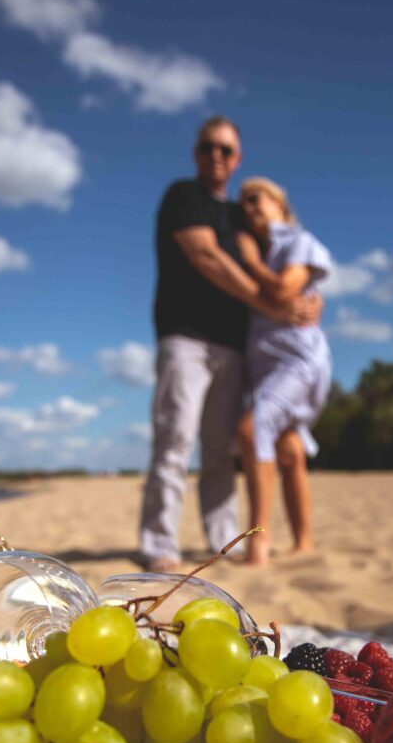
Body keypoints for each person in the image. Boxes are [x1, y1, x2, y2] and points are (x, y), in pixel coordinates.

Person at [139, 118, 319, 572]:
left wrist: (310, 298)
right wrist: (274, 306)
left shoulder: (241, 217)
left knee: (220, 449)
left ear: (237, 159)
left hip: (235, 346)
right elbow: (207, 257)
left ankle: (223, 539)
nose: (216, 156)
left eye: (226, 150)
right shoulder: (183, 196)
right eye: (208, 147)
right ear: (196, 152)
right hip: (186, 337)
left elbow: (285, 259)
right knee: (175, 439)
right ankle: (159, 543)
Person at [235, 177, 333, 566]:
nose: (248, 207)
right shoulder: (263, 250)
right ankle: (304, 543)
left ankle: (258, 540)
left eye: (255, 198)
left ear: (280, 204)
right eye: (243, 203)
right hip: (268, 367)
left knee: (252, 427)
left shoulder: (297, 242)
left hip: (298, 361)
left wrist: (250, 262)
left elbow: (283, 291)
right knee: (289, 449)